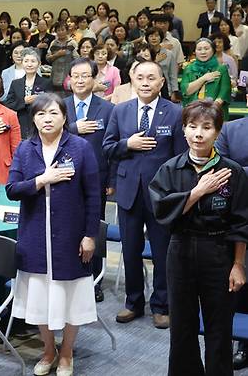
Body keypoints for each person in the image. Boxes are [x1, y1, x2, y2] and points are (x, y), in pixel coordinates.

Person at [149, 99, 248, 376]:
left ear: (218, 132)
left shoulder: (233, 171)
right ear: (183, 130)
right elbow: (161, 210)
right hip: (180, 250)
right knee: (182, 327)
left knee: (219, 328)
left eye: (206, 127)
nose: (198, 134)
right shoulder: (170, 169)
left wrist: (238, 264)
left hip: (218, 251)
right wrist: (197, 192)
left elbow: (241, 222)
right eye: (192, 127)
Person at [6, 92, 100, 376]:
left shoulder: (81, 148)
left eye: (53, 113)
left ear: (64, 117)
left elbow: (93, 195)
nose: (47, 119)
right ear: (33, 119)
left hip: (71, 237)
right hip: (35, 237)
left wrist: (90, 235)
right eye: (41, 114)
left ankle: (67, 352)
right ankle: (48, 349)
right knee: (39, 299)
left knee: (72, 298)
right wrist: (41, 180)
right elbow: (12, 189)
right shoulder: (25, 149)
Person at [103, 60, 188, 329]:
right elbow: (108, 147)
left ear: (162, 82)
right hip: (128, 192)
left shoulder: (175, 112)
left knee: (162, 252)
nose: (145, 83)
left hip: (161, 195)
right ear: (132, 80)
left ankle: (161, 305)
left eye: (152, 78)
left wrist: (176, 193)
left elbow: (181, 157)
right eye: (140, 77)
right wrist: (128, 144)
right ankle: (133, 302)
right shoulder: (121, 110)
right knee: (130, 250)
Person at [64, 58, 115, 302]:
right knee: (68, 227)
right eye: (76, 76)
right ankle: (71, 274)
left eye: (85, 76)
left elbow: (113, 147)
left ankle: (94, 281)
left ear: (94, 79)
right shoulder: (60, 107)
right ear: (69, 80)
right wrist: (73, 128)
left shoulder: (108, 109)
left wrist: (112, 180)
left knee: (94, 228)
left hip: (97, 180)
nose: (80, 80)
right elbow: (47, 133)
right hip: (63, 179)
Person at [215, 116, 248, 369]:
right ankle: (243, 344)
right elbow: (223, 170)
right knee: (241, 283)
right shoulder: (230, 129)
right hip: (238, 215)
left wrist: (241, 170)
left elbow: (236, 170)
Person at [5, 48, 53, 138]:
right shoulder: (16, 83)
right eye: (26, 61)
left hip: (39, 125)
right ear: (22, 63)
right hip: (19, 124)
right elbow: (8, 105)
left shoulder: (46, 83)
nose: (29, 64)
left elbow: (51, 104)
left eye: (33, 61)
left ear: (39, 64)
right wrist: (24, 102)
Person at [181, 38, 232, 121]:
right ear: (195, 52)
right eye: (199, 49)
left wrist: (211, 109)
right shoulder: (189, 68)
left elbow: (225, 91)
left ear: (213, 51)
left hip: (215, 113)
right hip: (193, 112)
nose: (203, 52)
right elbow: (186, 90)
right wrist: (203, 78)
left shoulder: (221, 68)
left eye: (206, 49)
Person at [145, 28, 178, 98]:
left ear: (161, 38)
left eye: (156, 36)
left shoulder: (169, 54)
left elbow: (173, 74)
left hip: (165, 89)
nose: (154, 38)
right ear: (147, 38)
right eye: (151, 36)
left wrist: (174, 91)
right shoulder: (143, 53)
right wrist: (155, 61)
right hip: (147, 88)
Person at [47, 22, 79, 93]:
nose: (60, 32)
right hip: (55, 76)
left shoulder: (72, 43)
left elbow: (77, 59)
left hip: (68, 76)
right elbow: (48, 59)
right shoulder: (53, 43)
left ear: (67, 31)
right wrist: (57, 55)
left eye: (62, 30)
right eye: (58, 30)